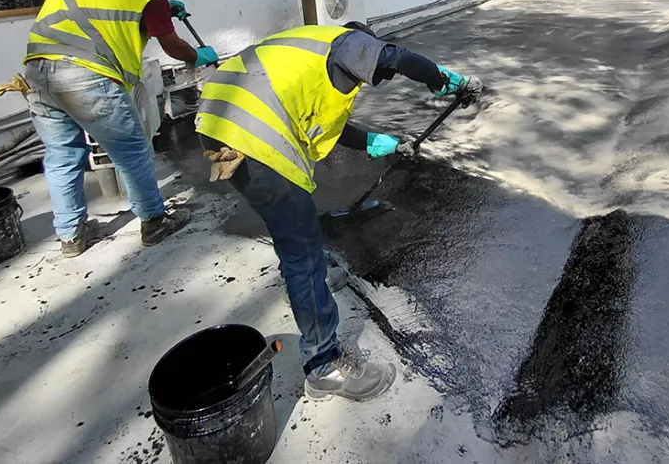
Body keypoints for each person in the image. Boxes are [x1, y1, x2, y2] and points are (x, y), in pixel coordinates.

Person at [195, 22, 482, 402]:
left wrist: (383, 144)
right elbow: (397, 58)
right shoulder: (345, 41)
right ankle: (324, 366)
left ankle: (304, 285)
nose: (376, 75)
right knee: (302, 249)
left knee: (290, 224)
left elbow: (332, 129)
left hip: (219, 121)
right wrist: (446, 81)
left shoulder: (307, 55)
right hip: (248, 135)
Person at [22, 0, 219, 258]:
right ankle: (154, 222)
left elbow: (97, 7)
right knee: (132, 152)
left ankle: (71, 235)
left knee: (63, 156)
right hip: (87, 78)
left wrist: (159, 13)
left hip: (38, 70)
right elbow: (172, 46)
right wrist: (197, 56)